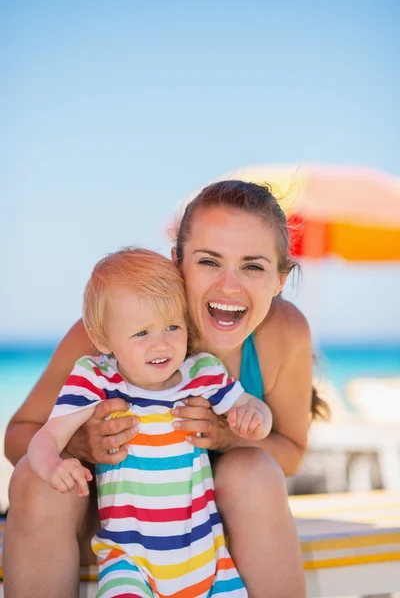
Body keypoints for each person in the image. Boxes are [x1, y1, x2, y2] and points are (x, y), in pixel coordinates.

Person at [4, 179, 326, 597]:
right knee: (36, 480)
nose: (229, 287)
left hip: (208, 532)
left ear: (280, 279)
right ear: (177, 262)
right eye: (210, 261)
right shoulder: (113, 334)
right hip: (115, 532)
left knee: (255, 472)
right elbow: (18, 437)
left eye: (253, 266)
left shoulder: (284, 332)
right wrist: (81, 444)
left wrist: (227, 436)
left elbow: (292, 454)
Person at [27, 247, 272, 597]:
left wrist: (254, 419)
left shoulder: (202, 373)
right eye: (141, 333)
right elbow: (45, 437)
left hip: (207, 558)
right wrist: (52, 465)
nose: (161, 343)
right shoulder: (96, 380)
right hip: (129, 561)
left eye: (172, 326)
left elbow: (254, 409)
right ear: (102, 339)